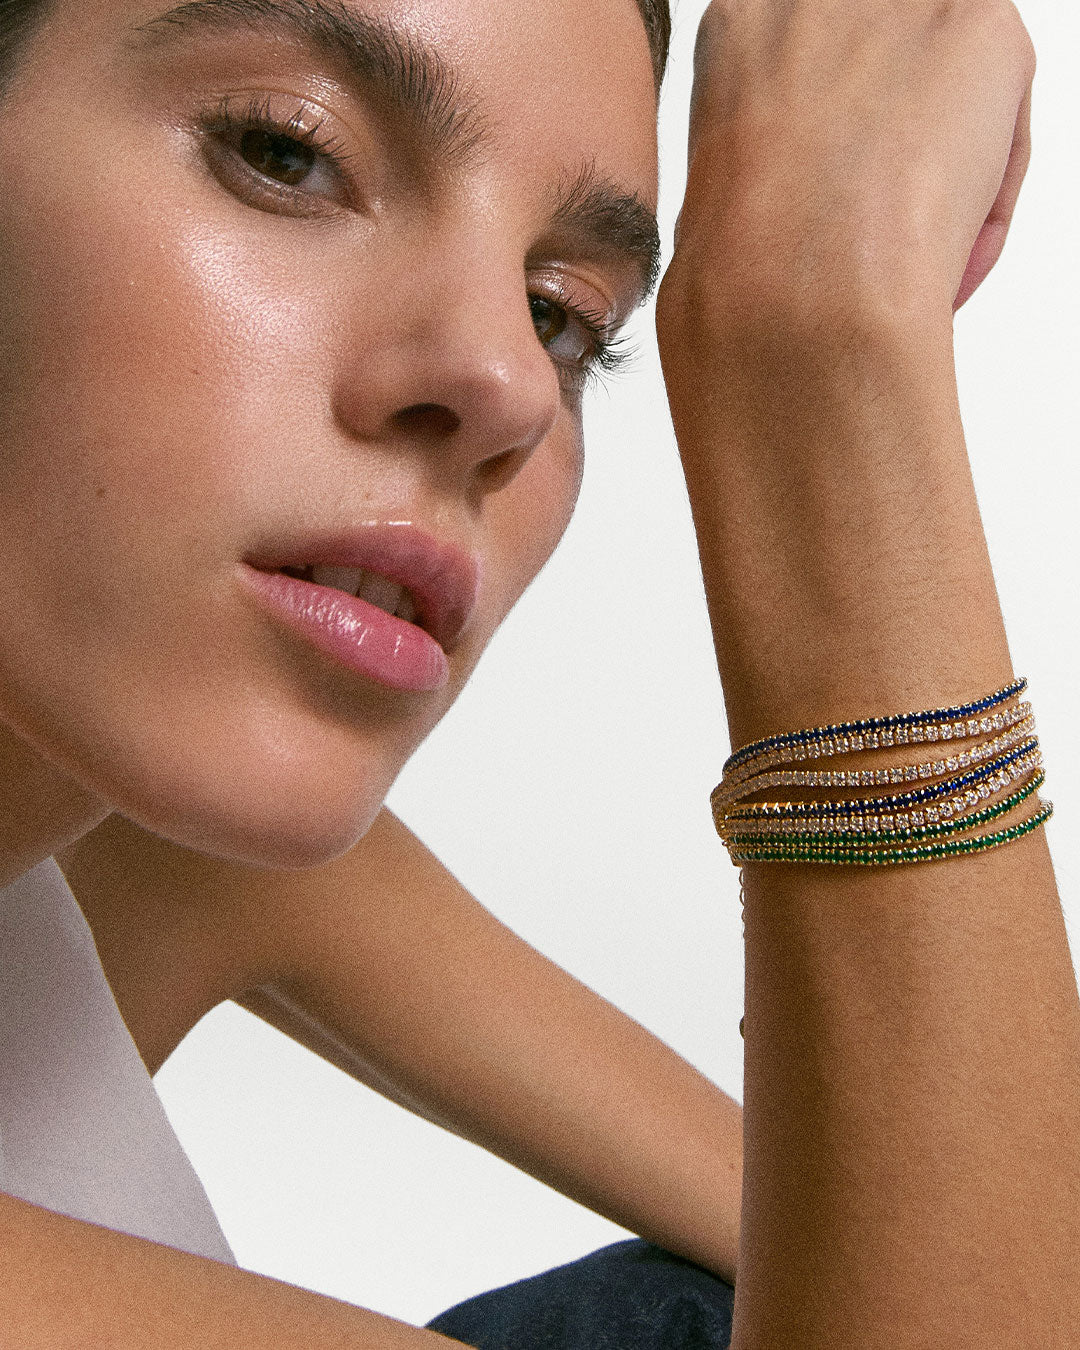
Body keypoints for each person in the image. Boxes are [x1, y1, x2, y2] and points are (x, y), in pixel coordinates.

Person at [0, 0, 1074, 1346]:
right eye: (287, 151)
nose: (509, 383)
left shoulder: (137, 849)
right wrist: (822, 368)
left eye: (563, 316)